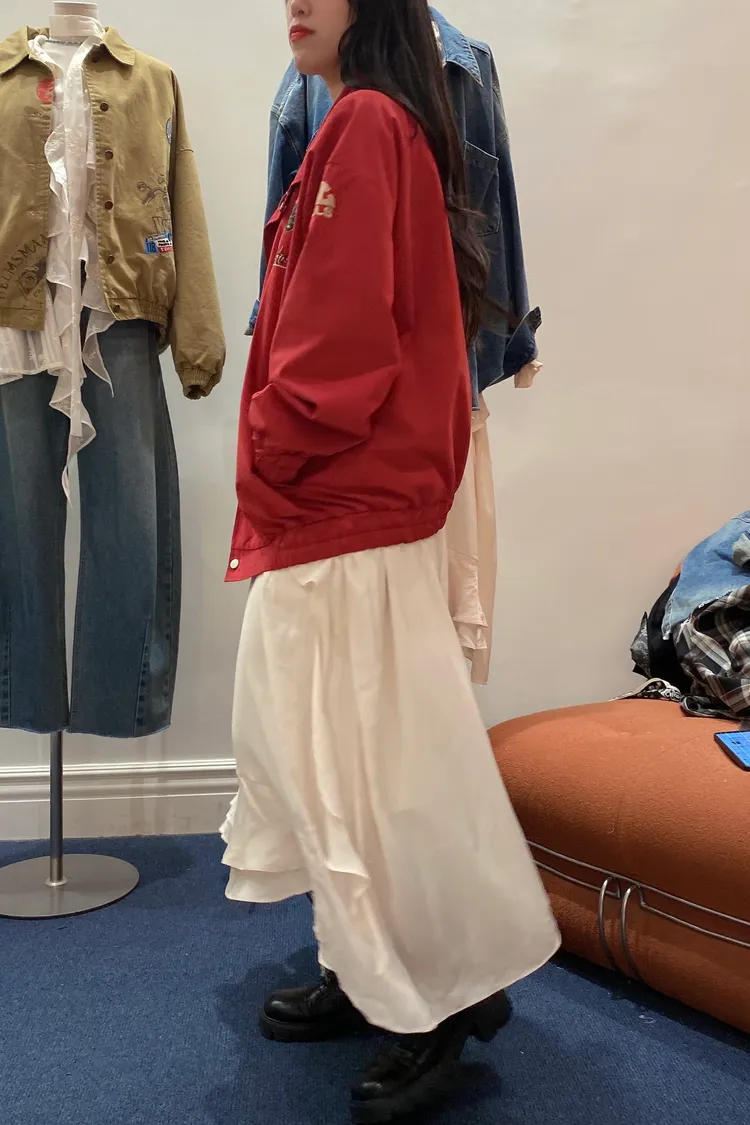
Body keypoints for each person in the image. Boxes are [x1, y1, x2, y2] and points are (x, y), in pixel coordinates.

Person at [222, 2, 560, 1121]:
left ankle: (441, 991)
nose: (296, 2)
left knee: (365, 760)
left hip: (345, 495)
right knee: (343, 753)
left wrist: (270, 440)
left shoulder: (366, 121)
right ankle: (374, 964)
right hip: (347, 496)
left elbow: (340, 340)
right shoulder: (367, 116)